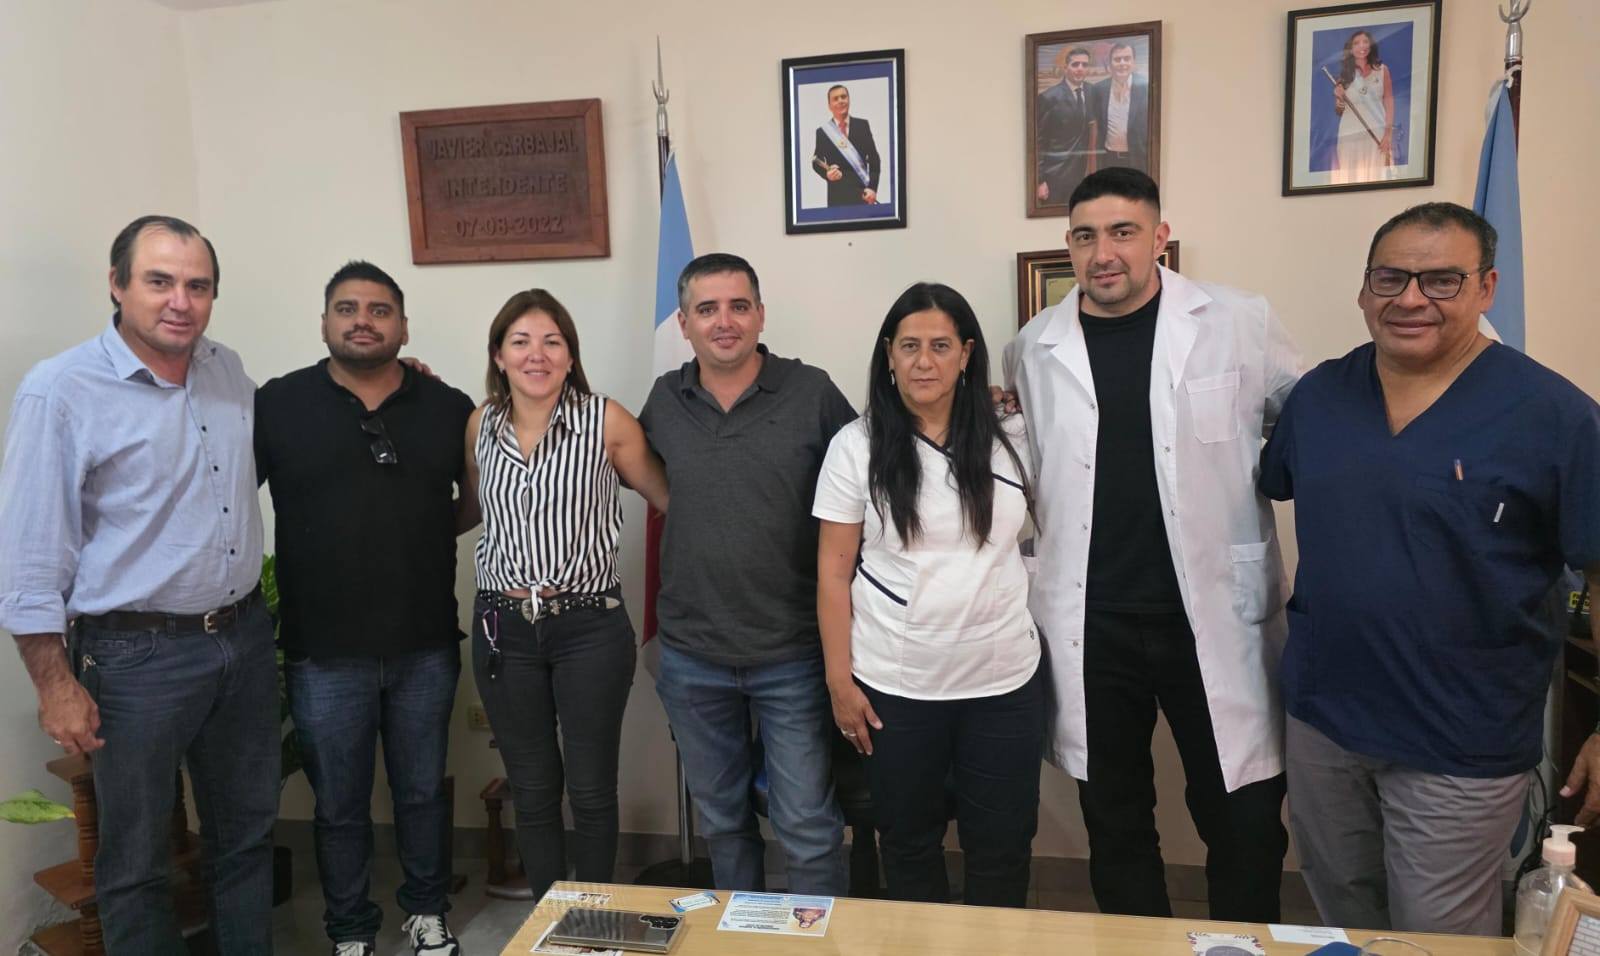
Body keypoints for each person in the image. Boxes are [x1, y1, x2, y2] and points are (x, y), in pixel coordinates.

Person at [1259, 202, 1600, 936]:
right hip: (1325, 719)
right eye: (1391, 278)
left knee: (1436, 934)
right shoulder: (1320, 396)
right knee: (1343, 915)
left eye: (1442, 280)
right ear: (1364, 289)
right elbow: (1267, 482)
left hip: (1460, 738)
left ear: (1487, 288)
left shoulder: (1553, 415)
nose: (1411, 299)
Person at [1002, 168, 1300, 922]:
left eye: (1123, 232)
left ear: (1159, 237)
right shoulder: (1033, 349)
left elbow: (1311, 426)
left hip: (1213, 615)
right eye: (1085, 236)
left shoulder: (1238, 321)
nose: (1103, 253)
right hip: (1092, 620)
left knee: (1244, 818)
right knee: (1116, 818)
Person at [0, 215, 277, 954]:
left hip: (243, 639)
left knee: (246, 839)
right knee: (135, 864)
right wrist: (55, 684)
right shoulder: (60, 391)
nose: (180, 301)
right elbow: (29, 556)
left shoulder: (225, 370)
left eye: (198, 285)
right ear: (117, 285)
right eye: (160, 281)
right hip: (134, 659)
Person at [255, 261, 475, 956]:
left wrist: (416, 533)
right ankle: (350, 930)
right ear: (324, 322)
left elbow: (476, 500)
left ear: (403, 326)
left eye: (380, 310)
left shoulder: (448, 406)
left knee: (421, 794)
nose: (362, 321)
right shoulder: (277, 404)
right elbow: (223, 497)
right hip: (323, 649)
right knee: (340, 804)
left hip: (424, 643)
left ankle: (427, 912)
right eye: (347, 308)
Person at [815, 282, 1042, 907]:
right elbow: (833, 572)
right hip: (897, 684)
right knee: (910, 845)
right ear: (888, 354)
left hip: (1002, 682)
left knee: (1002, 847)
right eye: (909, 345)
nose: (923, 361)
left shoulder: (1012, 436)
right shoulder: (856, 445)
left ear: (966, 354)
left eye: (940, 346)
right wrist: (840, 682)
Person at [639, 253, 855, 895]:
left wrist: (981, 401)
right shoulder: (665, 399)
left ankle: (821, 938)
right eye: (707, 309)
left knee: (808, 825)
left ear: (760, 314)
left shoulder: (811, 391)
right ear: (684, 323)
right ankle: (740, 935)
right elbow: (612, 451)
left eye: (738, 306)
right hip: (691, 654)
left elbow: (876, 468)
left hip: (792, 651)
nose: (724, 321)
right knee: (724, 824)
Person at [466, 289, 668, 900]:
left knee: (590, 787)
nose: (537, 354)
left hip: (588, 627)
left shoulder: (606, 420)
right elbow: (474, 508)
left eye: (552, 341)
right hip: (503, 627)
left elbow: (669, 500)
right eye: (521, 341)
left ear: (570, 355)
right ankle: (551, 921)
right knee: (531, 789)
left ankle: (594, 918)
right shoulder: (480, 424)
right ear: (498, 355)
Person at [1035, 46, 1101, 206]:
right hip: (1055, 175)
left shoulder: (1092, 91)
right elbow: (1039, 142)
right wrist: (1039, 180)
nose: (1080, 68)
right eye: (1075, 64)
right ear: (1065, 68)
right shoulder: (1048, 98)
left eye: (1084, 65)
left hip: (1083, 173)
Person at [1330, 29, 1396, 184]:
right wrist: (1339, 98)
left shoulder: (1382, 70)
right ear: (1351, 49)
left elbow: (1389, 102)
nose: (1362, 46)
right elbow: (1339, 110)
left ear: (1371, 45)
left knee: (1379, 178)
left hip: (1377, 134)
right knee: (1351, 181)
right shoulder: (1344, 76)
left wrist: (1388, 134)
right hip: (1350, 136)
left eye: (1365, 42)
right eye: (1356, 43)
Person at [811, 84, 882, 207]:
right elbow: (816, 162)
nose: (840, 101)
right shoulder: (822, 132)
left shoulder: (862, 125)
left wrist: (872, 188)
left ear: (849, 100)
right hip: (837, 197)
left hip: (863, 195)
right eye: (835, 99)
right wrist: (827, 174)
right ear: (829, 106)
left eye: (843, 97)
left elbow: (874, 159)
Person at [1094, 42, 1150, 173]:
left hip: (1137, 160)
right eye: (1117, 59)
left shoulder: (1146, 87)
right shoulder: (1099, 89)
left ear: (1133, 62)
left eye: (1127, 58)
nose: (1122, 63)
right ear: (1110, 64)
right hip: (1108, 159)